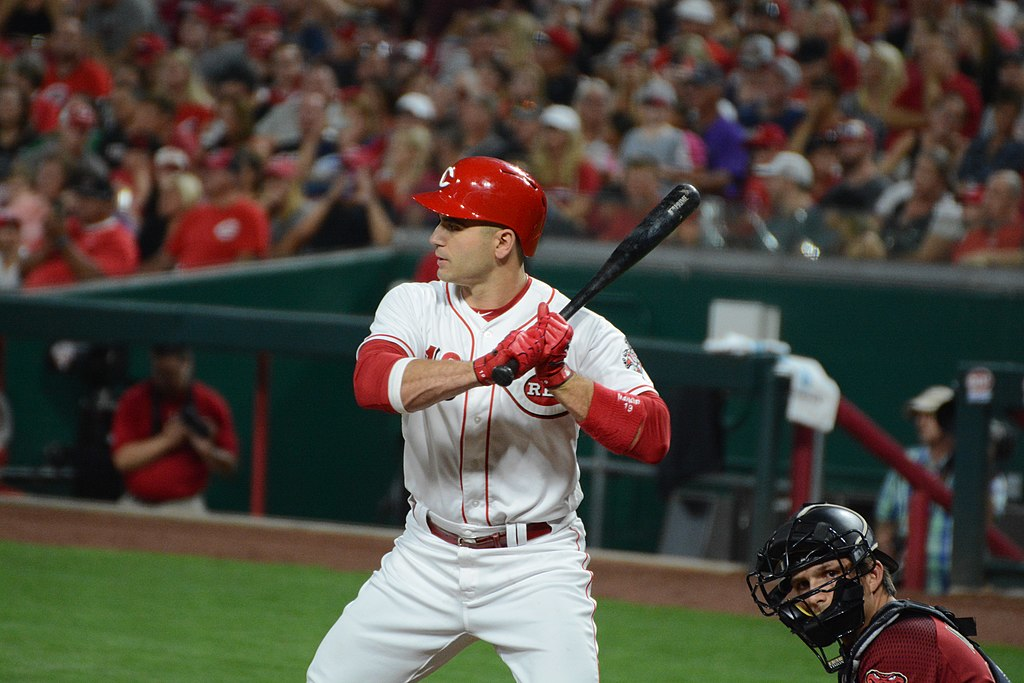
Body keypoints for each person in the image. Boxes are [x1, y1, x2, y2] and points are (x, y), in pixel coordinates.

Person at [307, 156, 671, 682]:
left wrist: (562, 378)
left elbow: (653, 435)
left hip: (536, 566)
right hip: (426, 555)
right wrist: (485, 368)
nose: (435, 237)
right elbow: (372, 384)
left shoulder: (584, 330)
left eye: (454, 225)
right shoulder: (412, 303)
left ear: (503, 243)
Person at [747, 502, 1010, 682]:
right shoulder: (882, 636)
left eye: (830, 574)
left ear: (873, 575)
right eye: (802, 585)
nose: (814, 596)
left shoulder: (903, 644)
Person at [875, 385, 1008, 594]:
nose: (920, 422)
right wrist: (887, 575)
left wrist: (985, 462)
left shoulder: (978, 468)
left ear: (950, 419)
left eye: (929, 415)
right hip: (909, 579)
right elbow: (885, 522)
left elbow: (990, 519)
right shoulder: (907, 461)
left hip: (961, 584)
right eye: (917, 416)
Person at [110, 344, 238, 514]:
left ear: (187, 365)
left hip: (186, 506)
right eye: (159, 373)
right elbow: (122, 461)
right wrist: (168, 440)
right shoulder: (134, 398)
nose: (164, 381)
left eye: (170, 374)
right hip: (135, 503)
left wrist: (208, 451)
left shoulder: (210, 402)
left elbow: (229, 464)